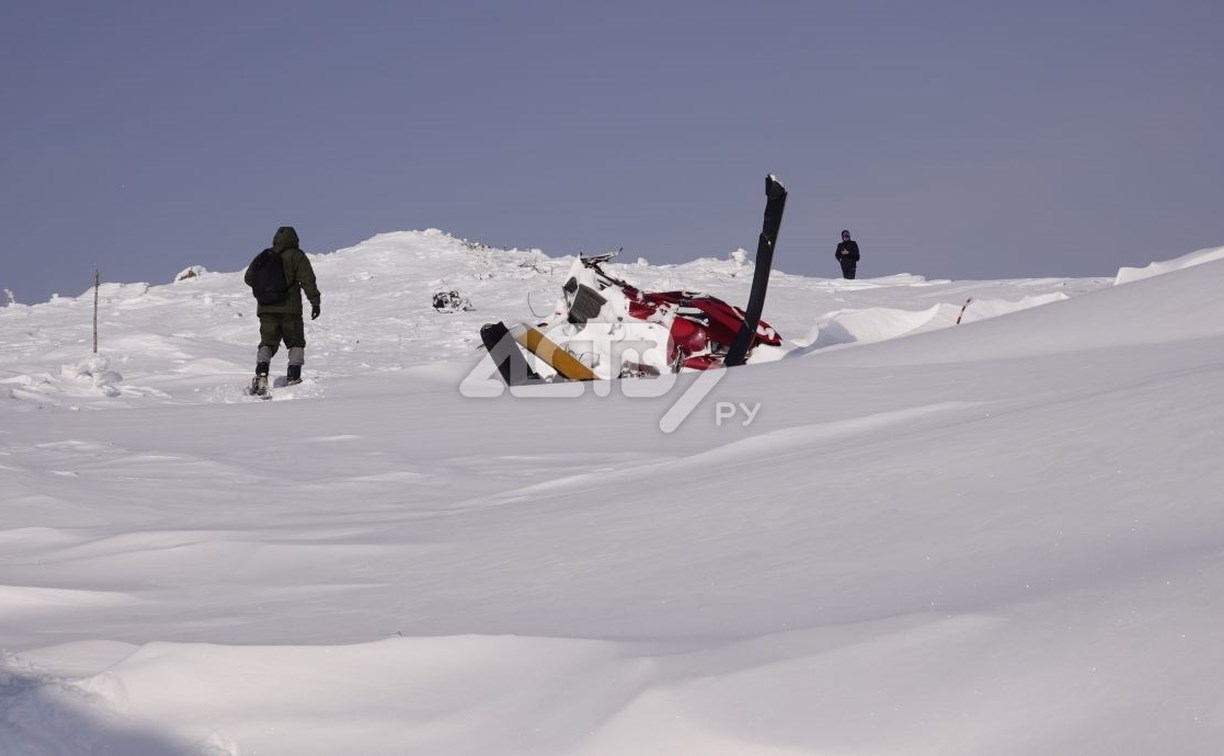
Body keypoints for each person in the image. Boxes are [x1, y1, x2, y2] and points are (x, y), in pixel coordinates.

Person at [244, 226, 321, 395]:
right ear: (294, 240)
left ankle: (261, 374)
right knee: (295, 342)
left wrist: (267, 289)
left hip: (266, 309)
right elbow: (307, 280)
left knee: (267, 343)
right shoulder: (296, 255)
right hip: (290, 309)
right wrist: (315, 302)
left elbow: (248, 278)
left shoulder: (265, 254)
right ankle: (294, 376)